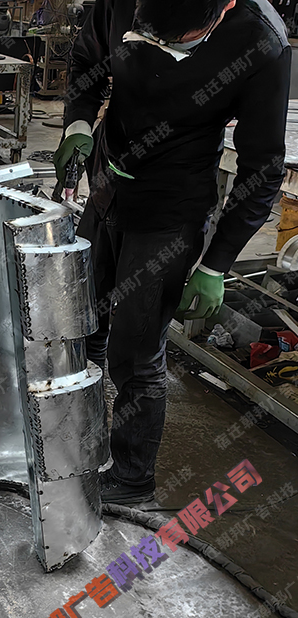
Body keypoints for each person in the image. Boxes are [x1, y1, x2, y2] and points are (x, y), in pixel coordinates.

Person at [53, 0, 290, 504]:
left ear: (222, 9)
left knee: (136, 353)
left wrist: (216, 263)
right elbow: (87, 60)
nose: (160, 52)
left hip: (170, 210)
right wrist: (77, 124)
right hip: (108, 180)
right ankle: (72, 441)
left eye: (177, 43)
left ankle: (131, 477)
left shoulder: (260, 42)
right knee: (79, 324)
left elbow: (262, 168)